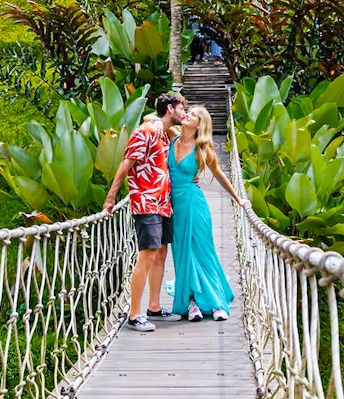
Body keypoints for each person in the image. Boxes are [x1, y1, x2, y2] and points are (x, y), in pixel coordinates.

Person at [103, 92, 187, 332]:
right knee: (148, 253)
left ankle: (154, 307)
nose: (184, 113)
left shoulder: (164, 133)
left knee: (161, 252)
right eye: (182, 108)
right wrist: (111, 198)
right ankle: (134, 314)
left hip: (163, 202)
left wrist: (160, 123)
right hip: (146, 201)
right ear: (170, 109)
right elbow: (126, 163)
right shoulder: (147, 132)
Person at [168, 105, 241, 322]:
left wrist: (238, 198)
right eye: (187, 112)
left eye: (192, 115)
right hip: (174, 206)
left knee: (203, 251)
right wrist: (175, 113)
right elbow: (150, 117)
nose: (187, 115)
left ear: (199, 125)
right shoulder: (172, 137)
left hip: (195, 203)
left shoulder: (202, 150)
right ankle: (192, 302)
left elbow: (218, 174)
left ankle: (216, 302)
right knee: (182, 254)